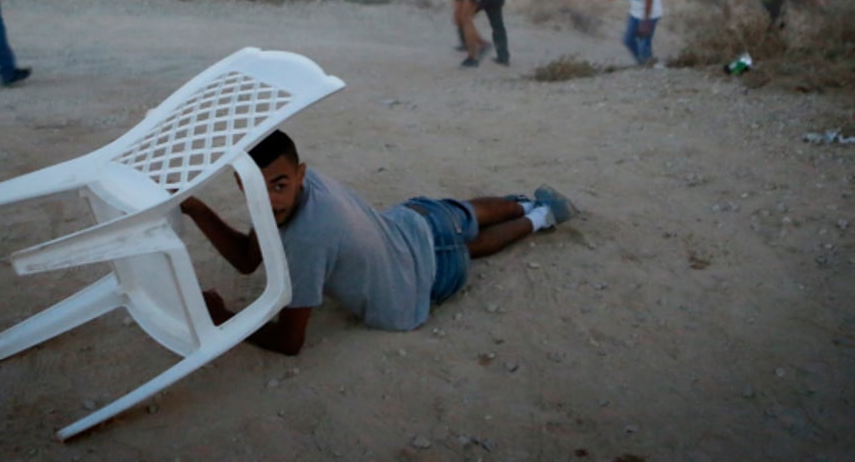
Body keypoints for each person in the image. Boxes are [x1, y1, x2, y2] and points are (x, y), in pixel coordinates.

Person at [179, 130, 576, 355]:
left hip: (420, 270)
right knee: (462, 218)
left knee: (464, 238)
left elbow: (289, 342)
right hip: (413, 235)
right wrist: (195, 208)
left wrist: (222, 318)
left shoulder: (307, 242)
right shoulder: (293, 190)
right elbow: (249, 260)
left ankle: (539, 216)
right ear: (241, 185)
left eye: (278, 185)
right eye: (256, 189)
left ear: (300, 174)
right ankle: (530, 208)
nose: (269, 200)